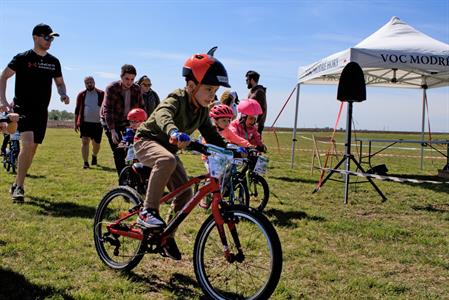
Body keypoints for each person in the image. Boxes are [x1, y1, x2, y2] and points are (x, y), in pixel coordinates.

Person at [133, 53, 230, 260]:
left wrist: (232, 149)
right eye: (208, 89)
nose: (212, 95)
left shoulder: (203, 111)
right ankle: (147, 211)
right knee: (166, 160)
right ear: (192, 86)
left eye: (215, 91)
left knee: (185, 193)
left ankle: (167, 236)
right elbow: (163, 114)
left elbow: (212, 136)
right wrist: (173, 132)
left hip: (168, 150)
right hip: (146, 141)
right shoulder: (177, 97)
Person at [0, 23, 70, 202]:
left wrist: (63, 94)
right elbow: (3, 76)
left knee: (32, 150)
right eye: (47, 37)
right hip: (23, 108)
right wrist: (3, 101)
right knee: (28, 143)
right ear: (35, 37)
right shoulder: (22, 58)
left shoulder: (53, 61)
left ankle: (16, 183)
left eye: (51, 38)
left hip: (41, 111)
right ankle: (20, 188)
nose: (50, 41)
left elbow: (60, 82)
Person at [100, 64, 144, 177]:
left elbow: (141, 108)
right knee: (118, 150)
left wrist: (141, 126)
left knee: (132, 149)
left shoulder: (137, 89)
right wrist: (113, 131)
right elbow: (107, 110)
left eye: (132, 79)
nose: (129, 82)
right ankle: (123, 180)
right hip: (110, 121)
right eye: (126, 79)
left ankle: (133, 177)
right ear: (121, 77)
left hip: (128, 122)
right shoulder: (112, 88)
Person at [75, 76, 105, 169]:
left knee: (96, 143)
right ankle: (85, 162)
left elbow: (106, 107)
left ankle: (94, 155)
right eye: (87, 83)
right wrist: (76, 122)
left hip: (98, 123)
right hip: (85, 123)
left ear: (94, 82)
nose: (89, 84)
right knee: (85, 141)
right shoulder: (81, 95)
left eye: (91, 82)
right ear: (85, 84)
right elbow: (77, 109)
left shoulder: (101, 93)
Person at [245, 70, 267, 134]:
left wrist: (256, 123)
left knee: (255, 143)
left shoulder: (259, 92)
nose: (246, 82)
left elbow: (262, 109)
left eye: (247, 80)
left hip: (255, 125)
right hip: (250, 123)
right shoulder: (253, 91)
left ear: (251, 80)